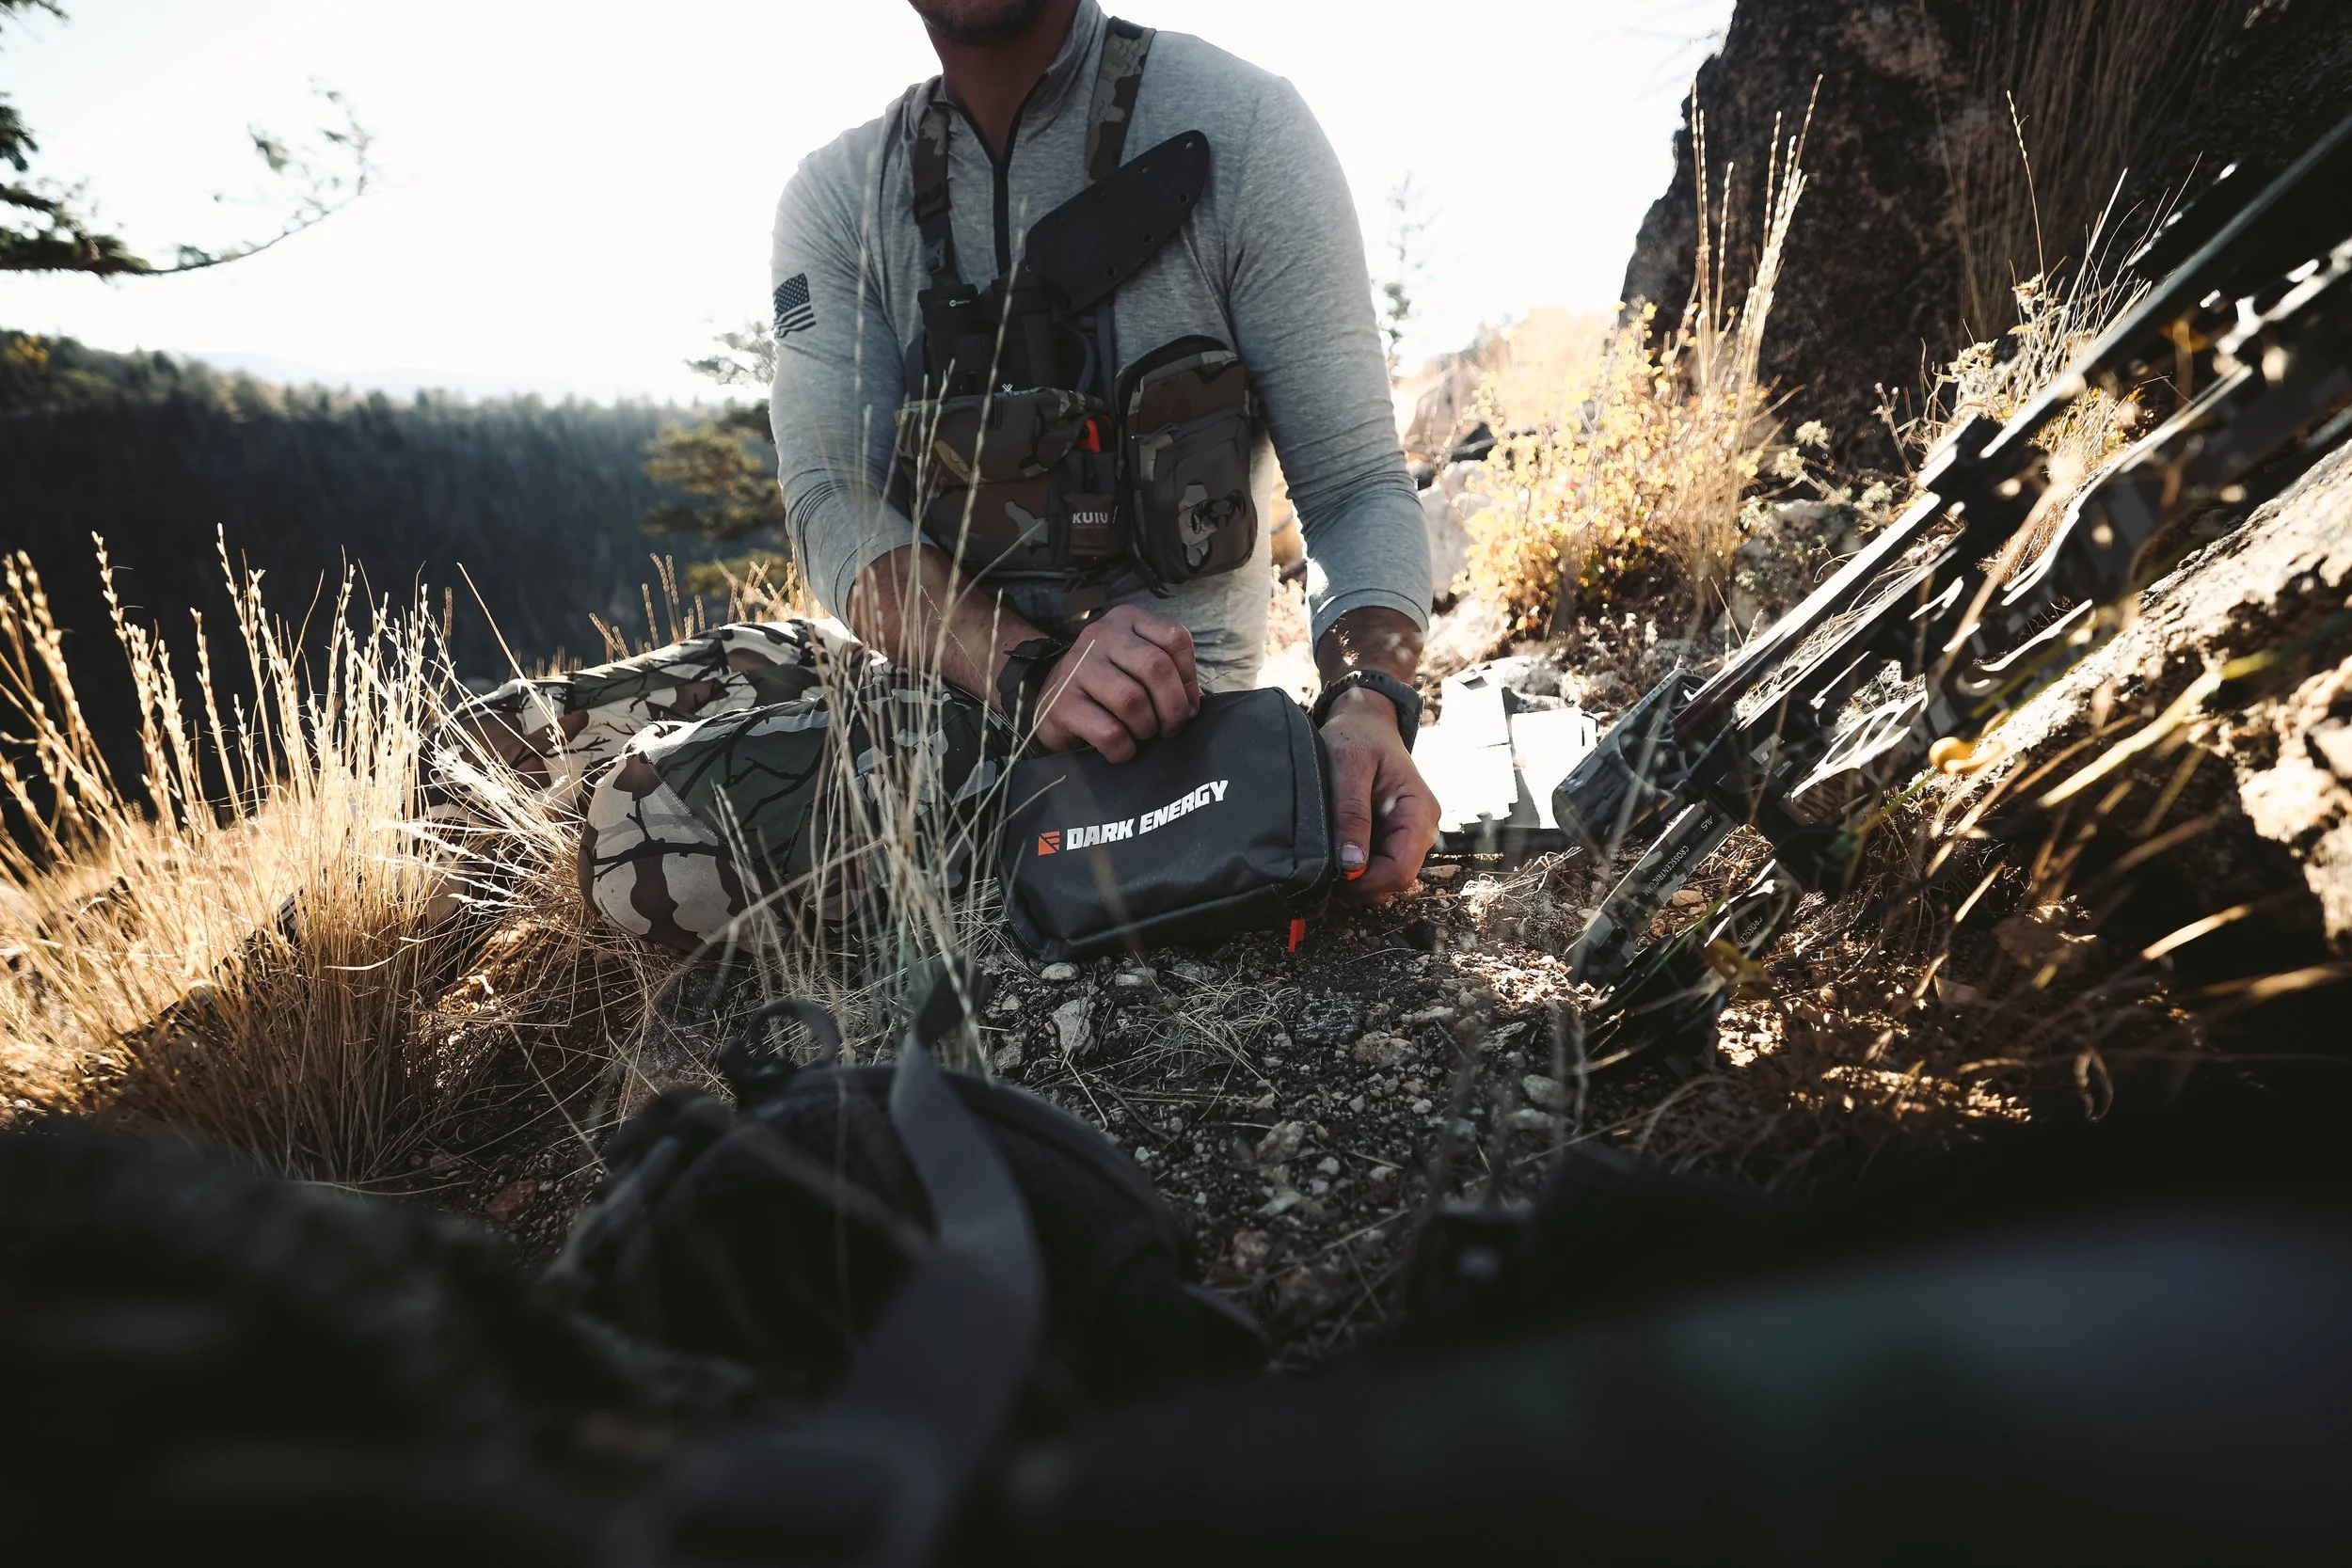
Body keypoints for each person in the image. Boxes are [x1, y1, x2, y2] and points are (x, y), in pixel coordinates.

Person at [460, 0, 1438, 951]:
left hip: (1151, 747)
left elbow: (1356, 485)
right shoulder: (840, 194)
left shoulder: (1244, 126)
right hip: (927, 666)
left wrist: (1366, 699)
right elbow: (832, 497)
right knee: (480, 751)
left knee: (642, 824)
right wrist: (1025, 666)